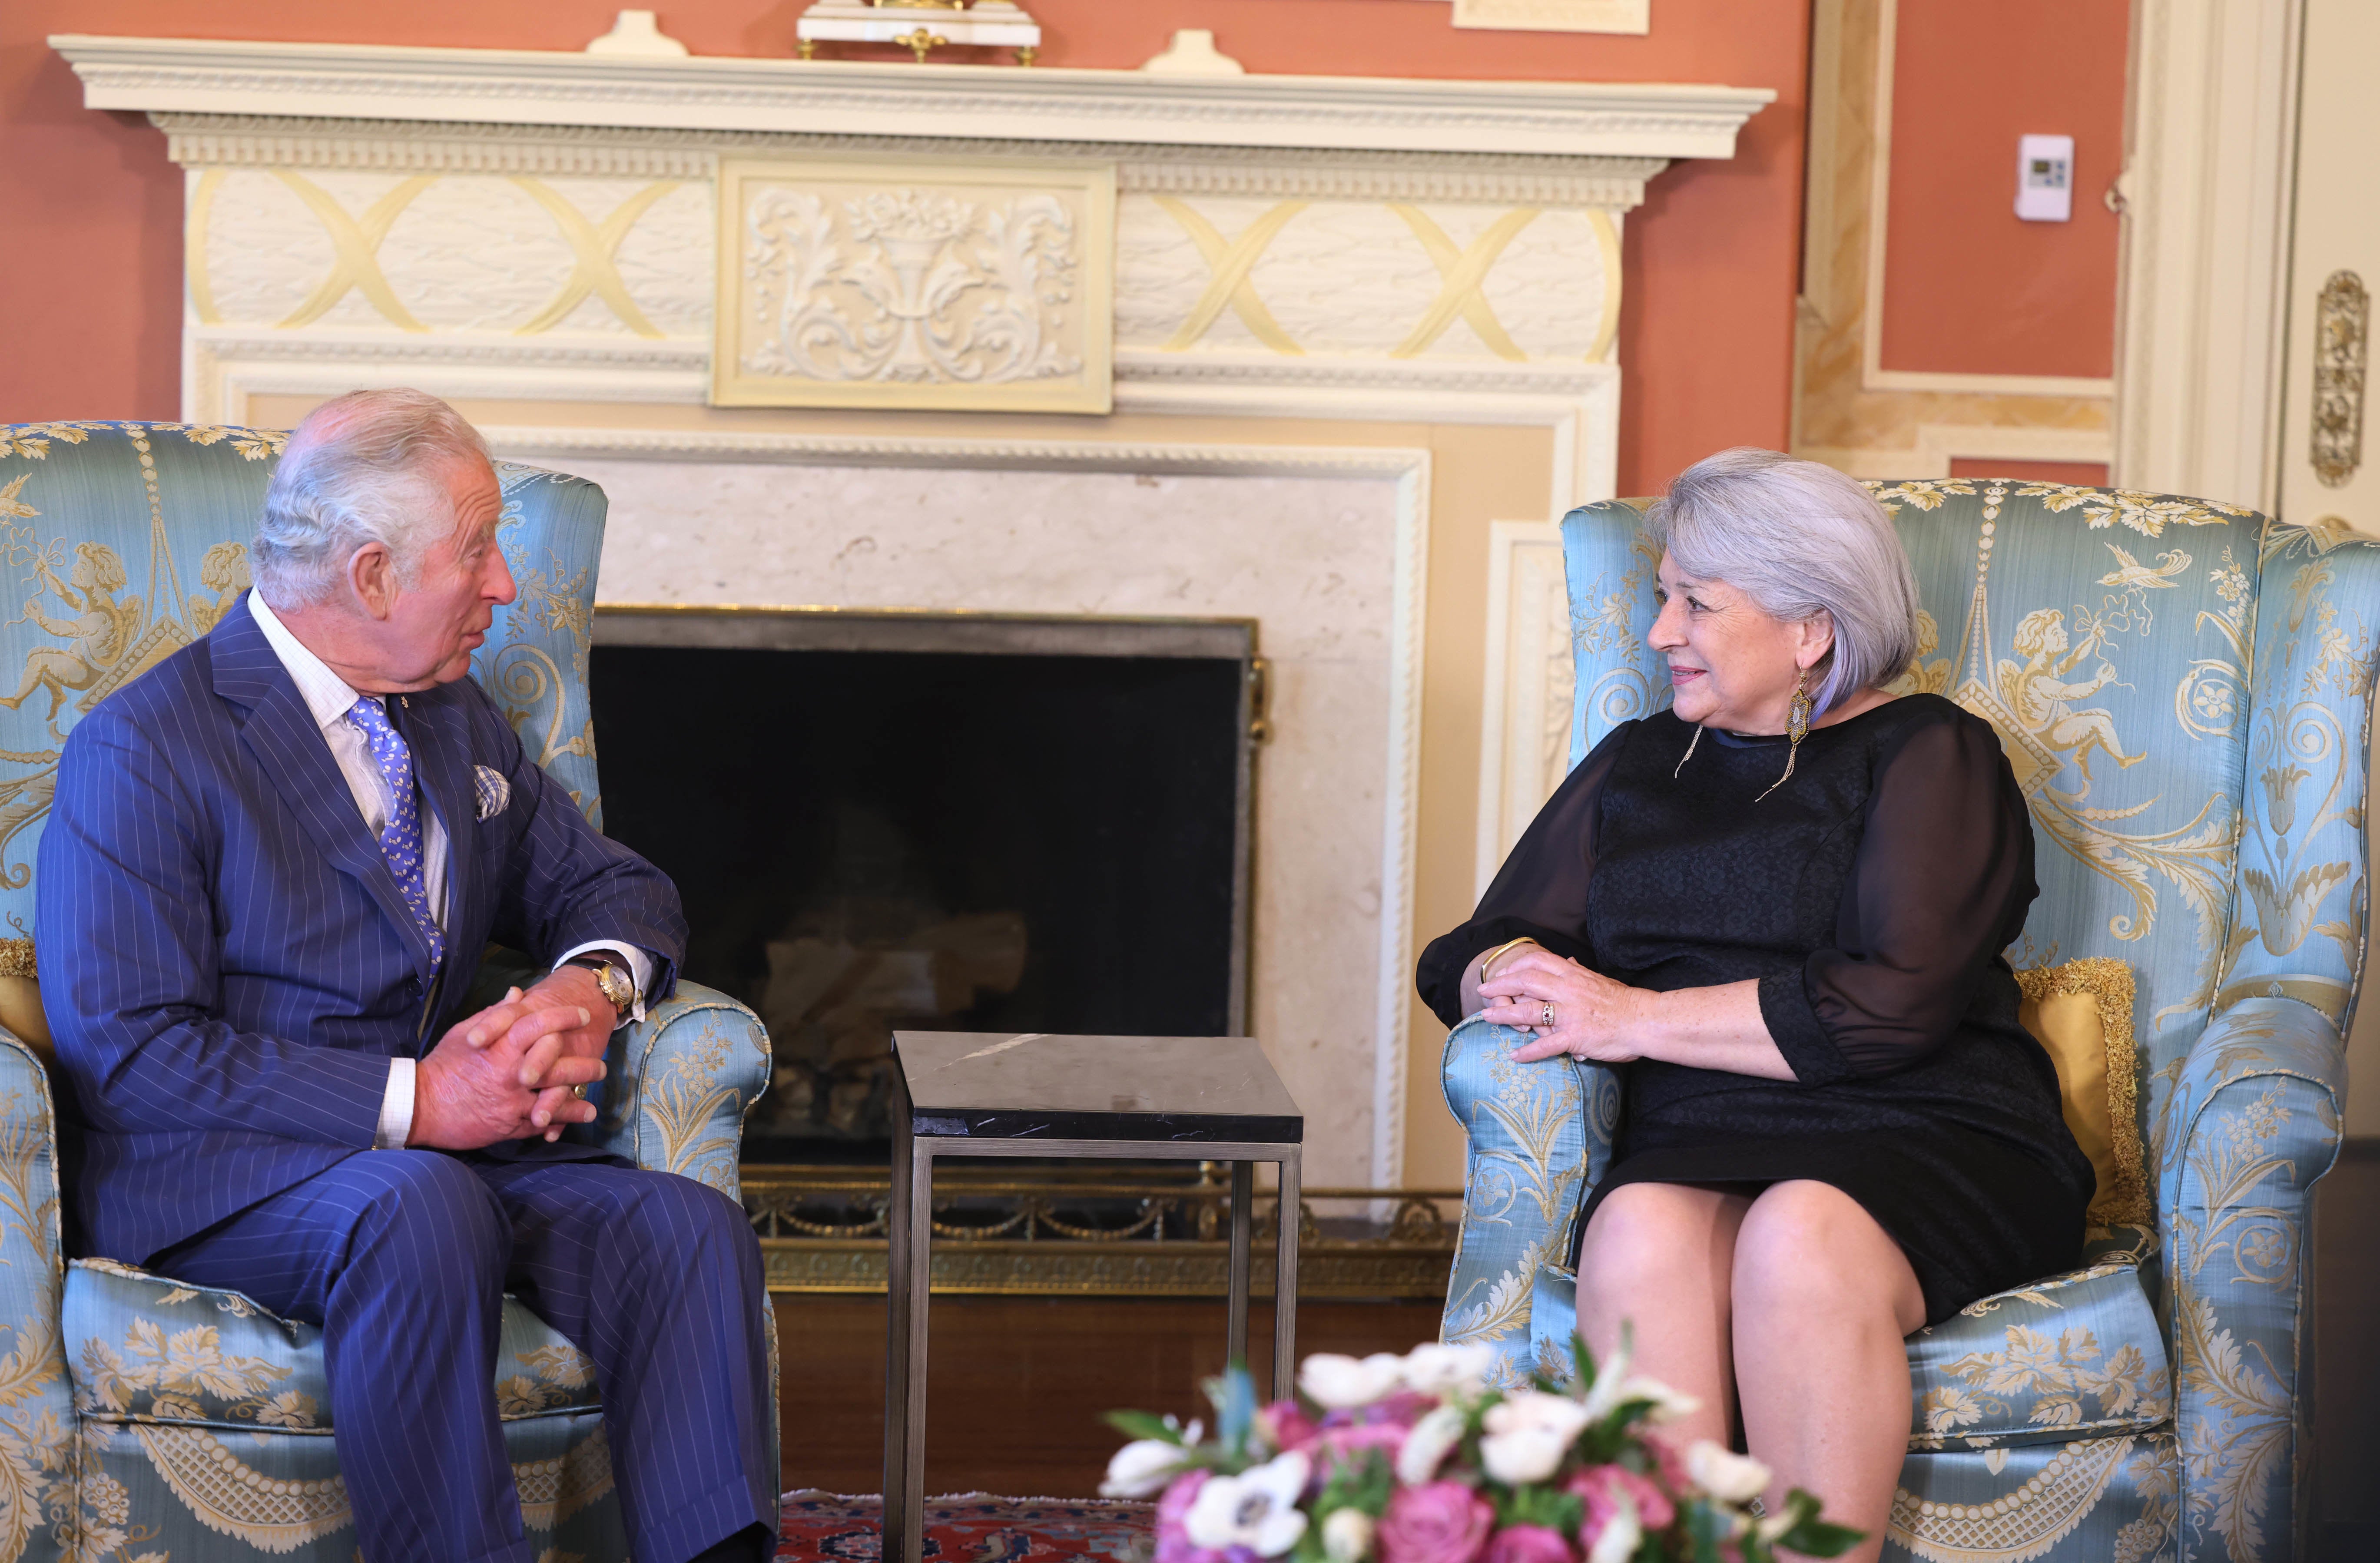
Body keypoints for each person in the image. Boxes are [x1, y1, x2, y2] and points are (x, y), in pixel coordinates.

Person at [37, 390, 778, 1563]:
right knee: (414, 1202)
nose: (505, 588)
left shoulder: (452, 718)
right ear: (373, 574)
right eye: (477, 549)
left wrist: (586, 990)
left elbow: (614, 889)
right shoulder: (148, 746)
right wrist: (421, 1102)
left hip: (452, 1163)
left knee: (680, 1228)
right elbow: (131, 1052)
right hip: (226, 1183)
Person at [1417, 448, 2089, 1562]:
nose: (1658, 632)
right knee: (1633, 1231)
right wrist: (1518, 979)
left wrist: (1622, 1017)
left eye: (1696, 603)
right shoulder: (1641, 761)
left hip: (1921, 1128)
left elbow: (1889, 1007)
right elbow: (1468, 952)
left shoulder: (1929, 752)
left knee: (1798, 1233)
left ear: (1810, 629)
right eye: (1661, 596)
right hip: (1704, 1133)